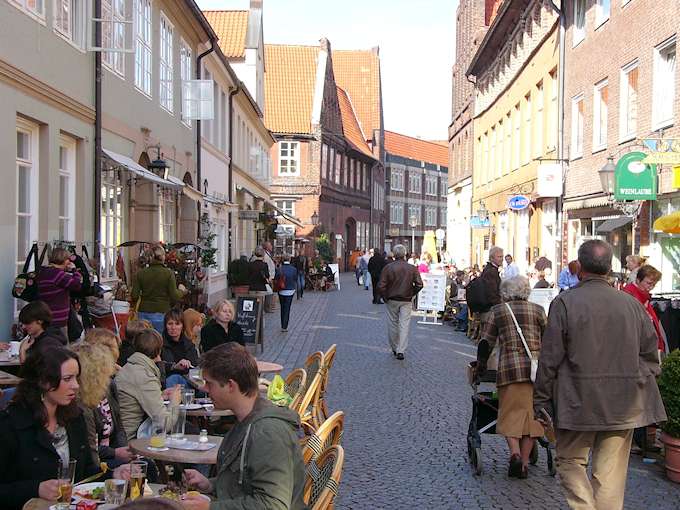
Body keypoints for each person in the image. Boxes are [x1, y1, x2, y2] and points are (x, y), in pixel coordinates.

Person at [534, 239, 666, 510]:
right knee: (610, 477)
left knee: (570, 461)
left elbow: (549, 358)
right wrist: (631, 378)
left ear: (579, 268)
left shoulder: (565, 303)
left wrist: (541, 399)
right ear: (609, 268)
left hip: (576, 401)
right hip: (622, 403)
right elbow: (652, 356)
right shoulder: (632, 306)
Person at [0, 346, 127, 510]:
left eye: (76, 378)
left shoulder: (74, 419)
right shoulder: (10, 424)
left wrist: (114, 474)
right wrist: (35, 488)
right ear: (44, 381)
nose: (75, 385)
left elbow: (86, 473)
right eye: (67, 379)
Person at [181, 344, 306, 510]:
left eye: (210, 384)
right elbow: (245, 481)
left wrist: (210, 507)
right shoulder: (247, 419)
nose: (204, 389)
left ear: (231, 386)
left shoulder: (268, 433)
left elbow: (273, 505)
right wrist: (210, 485)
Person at [477, 277, 546, 478]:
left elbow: (486, 343)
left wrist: (480, 366)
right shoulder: (538, 310)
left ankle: (514, 453)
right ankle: (524, 463)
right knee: (533, 418)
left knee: (509, 414)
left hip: (510, 370)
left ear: (505, 292)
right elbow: (550, 340)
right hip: (536, 372)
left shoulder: (498, 311)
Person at [71, 342, 133, 469]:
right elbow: (89, 452)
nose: (109, 373)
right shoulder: (81, 405)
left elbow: (119, 427)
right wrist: (115, 454)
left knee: (145, 466)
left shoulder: (108, 388)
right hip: (97, 463)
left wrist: (124, 451)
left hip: (112, 453)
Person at [116, 329, 181, 440]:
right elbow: (164, 424)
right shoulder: (145, 376)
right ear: (159, 351)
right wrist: (175, 402)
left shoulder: (129, 367)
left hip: (122, 435)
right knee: (185, 430)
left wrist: (160, 395)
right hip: (133, 440)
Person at [377, 244, 424, 360]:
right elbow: (420, 284)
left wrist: (385, 297)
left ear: (394, 254)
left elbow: (381, 285)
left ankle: (394, 347)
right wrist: (412, 293)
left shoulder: (388, 268)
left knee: (392, 323)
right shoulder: (412, 268)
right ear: (405, 254)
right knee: (404, 324)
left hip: (392, 299)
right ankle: (401, 350)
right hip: (406, 300)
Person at [132, 245, 187, 333]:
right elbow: (174, 296)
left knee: (143, 340)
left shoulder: (141, 273)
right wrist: (182, 291)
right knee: (160, 341)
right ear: (163, 257)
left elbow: (134, 296)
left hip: (144, 312)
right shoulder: (168, 273)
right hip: (162, 312)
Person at [37, 247, 83, 339]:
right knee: (61, 348)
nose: (69, 262)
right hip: (58, 319)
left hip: (47, 316)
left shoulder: (44, 272)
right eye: (67, 259)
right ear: (63, 260)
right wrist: (75, 270)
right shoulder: (57, 274)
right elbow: (76, 284)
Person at [623, 265, 666, 354]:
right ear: (638, 280)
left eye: (654, 284)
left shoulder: (643, 295)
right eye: (649, 283)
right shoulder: (629, 295)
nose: (651, 287)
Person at [161, 309, 199, 388]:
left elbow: (196, 366)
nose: (173, 327)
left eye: (177, 324)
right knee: (174, 378)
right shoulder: (159, 343)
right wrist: (174, 366)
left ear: (183, 326)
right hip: (168, 379)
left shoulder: (189, 344)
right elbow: (156, 365)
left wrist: (189, 365)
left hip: (189, 380)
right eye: (170, 324)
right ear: (165, 326)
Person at [275, 254, 298, 333]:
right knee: (287, 308)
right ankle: (284, 326)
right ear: (290, 259)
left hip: (281, 290)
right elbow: (295, 279)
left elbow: (276, 279)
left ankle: (282, 324)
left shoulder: (279, 269)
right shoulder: (294, 269)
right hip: (290, 290)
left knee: (282, 307)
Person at [262, 242, 277, 313]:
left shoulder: (268, 254)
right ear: (267, 247)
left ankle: (268, 307)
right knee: (269, 293)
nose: (272, 246)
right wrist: (269, 278)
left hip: (271, 276)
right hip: (269, 277)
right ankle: (267, 308)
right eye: (270, 245)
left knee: (270, 293)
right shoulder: (265, 255)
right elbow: (266, 267)